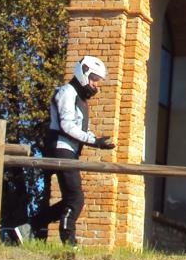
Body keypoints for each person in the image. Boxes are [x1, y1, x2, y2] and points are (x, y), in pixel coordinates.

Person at [15, 56, 114, 246]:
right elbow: (67, 126)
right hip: (61, 149)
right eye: (94, 79)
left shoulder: (80, 98)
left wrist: (98, 140)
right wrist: (94, 141)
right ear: (83, 73)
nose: (96, 85)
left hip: (68, 150)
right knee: (76, 198)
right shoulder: (67, 92)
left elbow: (79, 129)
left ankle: (26, 229)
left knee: (71, 198)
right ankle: (69, 241)